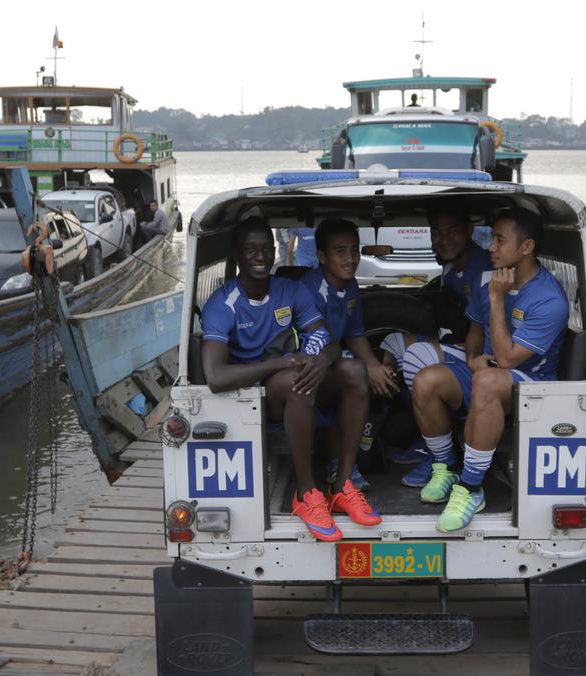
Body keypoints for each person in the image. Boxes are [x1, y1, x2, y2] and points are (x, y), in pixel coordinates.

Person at [200, 217, 379, 541]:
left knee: (353, 371)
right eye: (251, 249)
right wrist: (281, 363)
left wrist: (321, 361)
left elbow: (328, 339)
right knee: (294, 379)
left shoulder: (290, 289)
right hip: (254, 398)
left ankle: (342, 486)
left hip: (297, 378)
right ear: (236, 254)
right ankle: (307, 492)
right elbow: (216, 377)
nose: (260, 256)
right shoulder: (223, 304)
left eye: (266, 248)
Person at [409, 208, 569, 532]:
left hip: (531, 382)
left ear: (526, 248)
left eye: (499, 240)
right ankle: (447, 467)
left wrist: (497, 300)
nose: (491, 247)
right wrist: (470, 358)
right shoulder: (497, 277)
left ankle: (470, 488)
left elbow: (508, 360)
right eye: (492, 238)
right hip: (490, 370)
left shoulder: (548, 298)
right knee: (427, 381)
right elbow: (475, 332)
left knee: (488, 380)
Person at [384, 201, 493, 478]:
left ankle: (440, 456)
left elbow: (486, 327)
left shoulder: (484, 269)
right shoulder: (449, 266)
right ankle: (427, 429)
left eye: (453, 231)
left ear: (469, 230)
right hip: (457, 342)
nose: (445, 239)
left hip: (481, 357)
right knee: (393, 343)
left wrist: (468, 351)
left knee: (418, 355)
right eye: (437, 232)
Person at [298, 219, 399, 494]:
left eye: (355, 250)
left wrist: (375, 366)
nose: (351, 258)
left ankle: (392, 447)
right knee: (355, 374)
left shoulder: (350, 285)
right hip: (309, 367)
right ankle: (339, 464)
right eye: (340, 251)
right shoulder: (310, 288)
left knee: (386, 365)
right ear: (321, 256)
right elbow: (321, 342)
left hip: (335, 359)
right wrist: (367, 369)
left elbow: (354, 333)